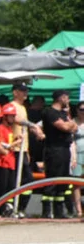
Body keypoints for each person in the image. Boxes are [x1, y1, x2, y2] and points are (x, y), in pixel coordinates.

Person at [40, 89, 78, 220]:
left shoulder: (63, 113)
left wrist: (68, 119)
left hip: (64, 148)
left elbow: (75, 127)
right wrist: (70, 125)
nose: (68, 100)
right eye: (66, 97)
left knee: (63, 179)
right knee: (53, 178)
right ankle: (46, 210)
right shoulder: (49, 112)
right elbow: (65, 127)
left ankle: (59, 210)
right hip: (54, 149)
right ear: (60, 98)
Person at [10, 82, 43, 216]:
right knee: (16, 179)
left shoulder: (23, 107)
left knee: (27, 179)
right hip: (14, 148)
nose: (25, 93)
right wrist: (34, 126)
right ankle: (13, 205)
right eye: (22, 91)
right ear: (15, 92)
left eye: (26, 91)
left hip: (23, 149)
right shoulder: (12, 106)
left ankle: (21, 206)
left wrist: (27, 151)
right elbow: (16, 119)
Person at [71, 102, 84, 217]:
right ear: (77, 110)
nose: (83, 112)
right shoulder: (72, 122)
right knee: (76, 183)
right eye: (81, 109)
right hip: (77, 154)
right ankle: (78, 210)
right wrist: (73, 157)